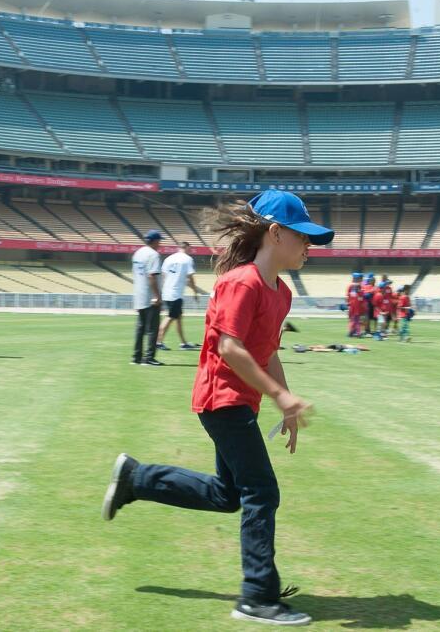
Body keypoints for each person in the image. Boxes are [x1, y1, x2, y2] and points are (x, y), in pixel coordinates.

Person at [102, 189, 333, 627]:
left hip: (240, 401)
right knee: (262, 492)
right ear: (275, 232)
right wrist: (280, 397)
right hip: (221, 399)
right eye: (302, 235)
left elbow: (268, 351)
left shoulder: (279, 293)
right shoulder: (241, 282)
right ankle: (257, 596)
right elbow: (230, 348)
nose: (309, 246)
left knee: (229, 495)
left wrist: (283, 401)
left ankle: (137, 478)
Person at [156, 241, 203, 351]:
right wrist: (195, 291)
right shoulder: (187, 259)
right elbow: (190, 277)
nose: (190, 251)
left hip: (167, 291)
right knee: (171, 317)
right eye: (190, 249)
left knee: (178, 317)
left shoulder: (169, 258)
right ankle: (158, 342)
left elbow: (164, 275)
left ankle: (183, 343)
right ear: (186, 248)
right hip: (176, 293)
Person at [132, 229, 164, 366]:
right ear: (155, 241)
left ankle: (136, 357)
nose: (160, 244)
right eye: (159, 241)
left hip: (139, 294)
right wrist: (157, 296)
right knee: (152, 329)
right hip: (150, 296)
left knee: (140, 328)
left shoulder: (138, 253)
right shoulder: (153, 255)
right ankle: (149, 358)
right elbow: (152, 276)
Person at [344, 272, 363, 337]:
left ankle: (352, 331)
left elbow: (347, 296)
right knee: (357, 319)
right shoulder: (359, 286)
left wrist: (347, 304)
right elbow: (361, 297)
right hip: (357, 305)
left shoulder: (350, 286)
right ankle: (357, 332)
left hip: (351, 305)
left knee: (352, 319)